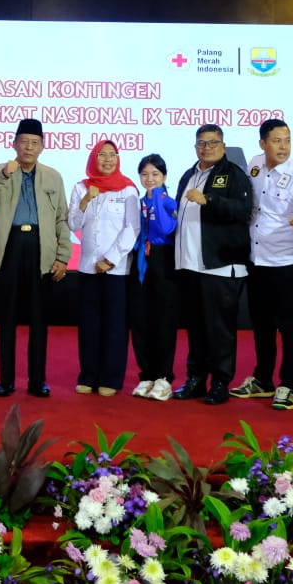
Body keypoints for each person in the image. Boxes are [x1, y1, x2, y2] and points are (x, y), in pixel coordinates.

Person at [0, 117, 71, 398]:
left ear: (42, 146)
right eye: (24, 142)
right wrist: (3, 175)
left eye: (34, 143)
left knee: (38, 319)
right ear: (14, 144)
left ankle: (37, 381)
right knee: (6, 318)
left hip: (40, 249)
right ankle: (6, 380)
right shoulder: (1, 171)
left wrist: (63, 256)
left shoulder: (53, 176)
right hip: (10, 247)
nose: (29, 147)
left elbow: (62, 219)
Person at [236, 118, 293, 411]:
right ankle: (262, 379)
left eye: (287, 140)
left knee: (289, 326)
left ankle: (289, 385)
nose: (283, 147)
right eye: (276, 141)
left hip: (285, 261)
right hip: (255, 259)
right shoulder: (255, 164)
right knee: (261, 324)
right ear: (263, 143)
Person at [170, 123, 253, 406]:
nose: (206, 147)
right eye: (201, 143)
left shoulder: (234, 175)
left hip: (219, 265)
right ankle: (195, 379)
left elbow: (243, 210)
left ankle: (220, 382)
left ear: (223, 145)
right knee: (195, 327)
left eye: (212, 142)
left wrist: (210, 200)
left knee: (220, 329)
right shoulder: (189, 175)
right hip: (190, 265)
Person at [67, 140, 140, 396]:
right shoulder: (81, 187)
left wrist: (110, 259)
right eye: (102, 155)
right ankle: (88, 375)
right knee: (89, 324)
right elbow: (73, 223)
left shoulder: (128, 189)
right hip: (87, 266)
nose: (107, 160)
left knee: (114, 325)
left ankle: (111, 377)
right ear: (93, 158)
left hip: (115, 269)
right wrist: (86, 200)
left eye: (112, 155)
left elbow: (132, 228)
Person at [129, 154, 179, 401]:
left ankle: (164, 376)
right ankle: (146, 374)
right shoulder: (137, 202)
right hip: (140, 262)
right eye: (145, 174)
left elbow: (164, 229)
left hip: (163, 261)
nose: (149, 179)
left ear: (164, 177)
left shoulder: (169, 202)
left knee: (163, 321)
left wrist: (157, 198)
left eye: (155, 174)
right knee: (140, 321)